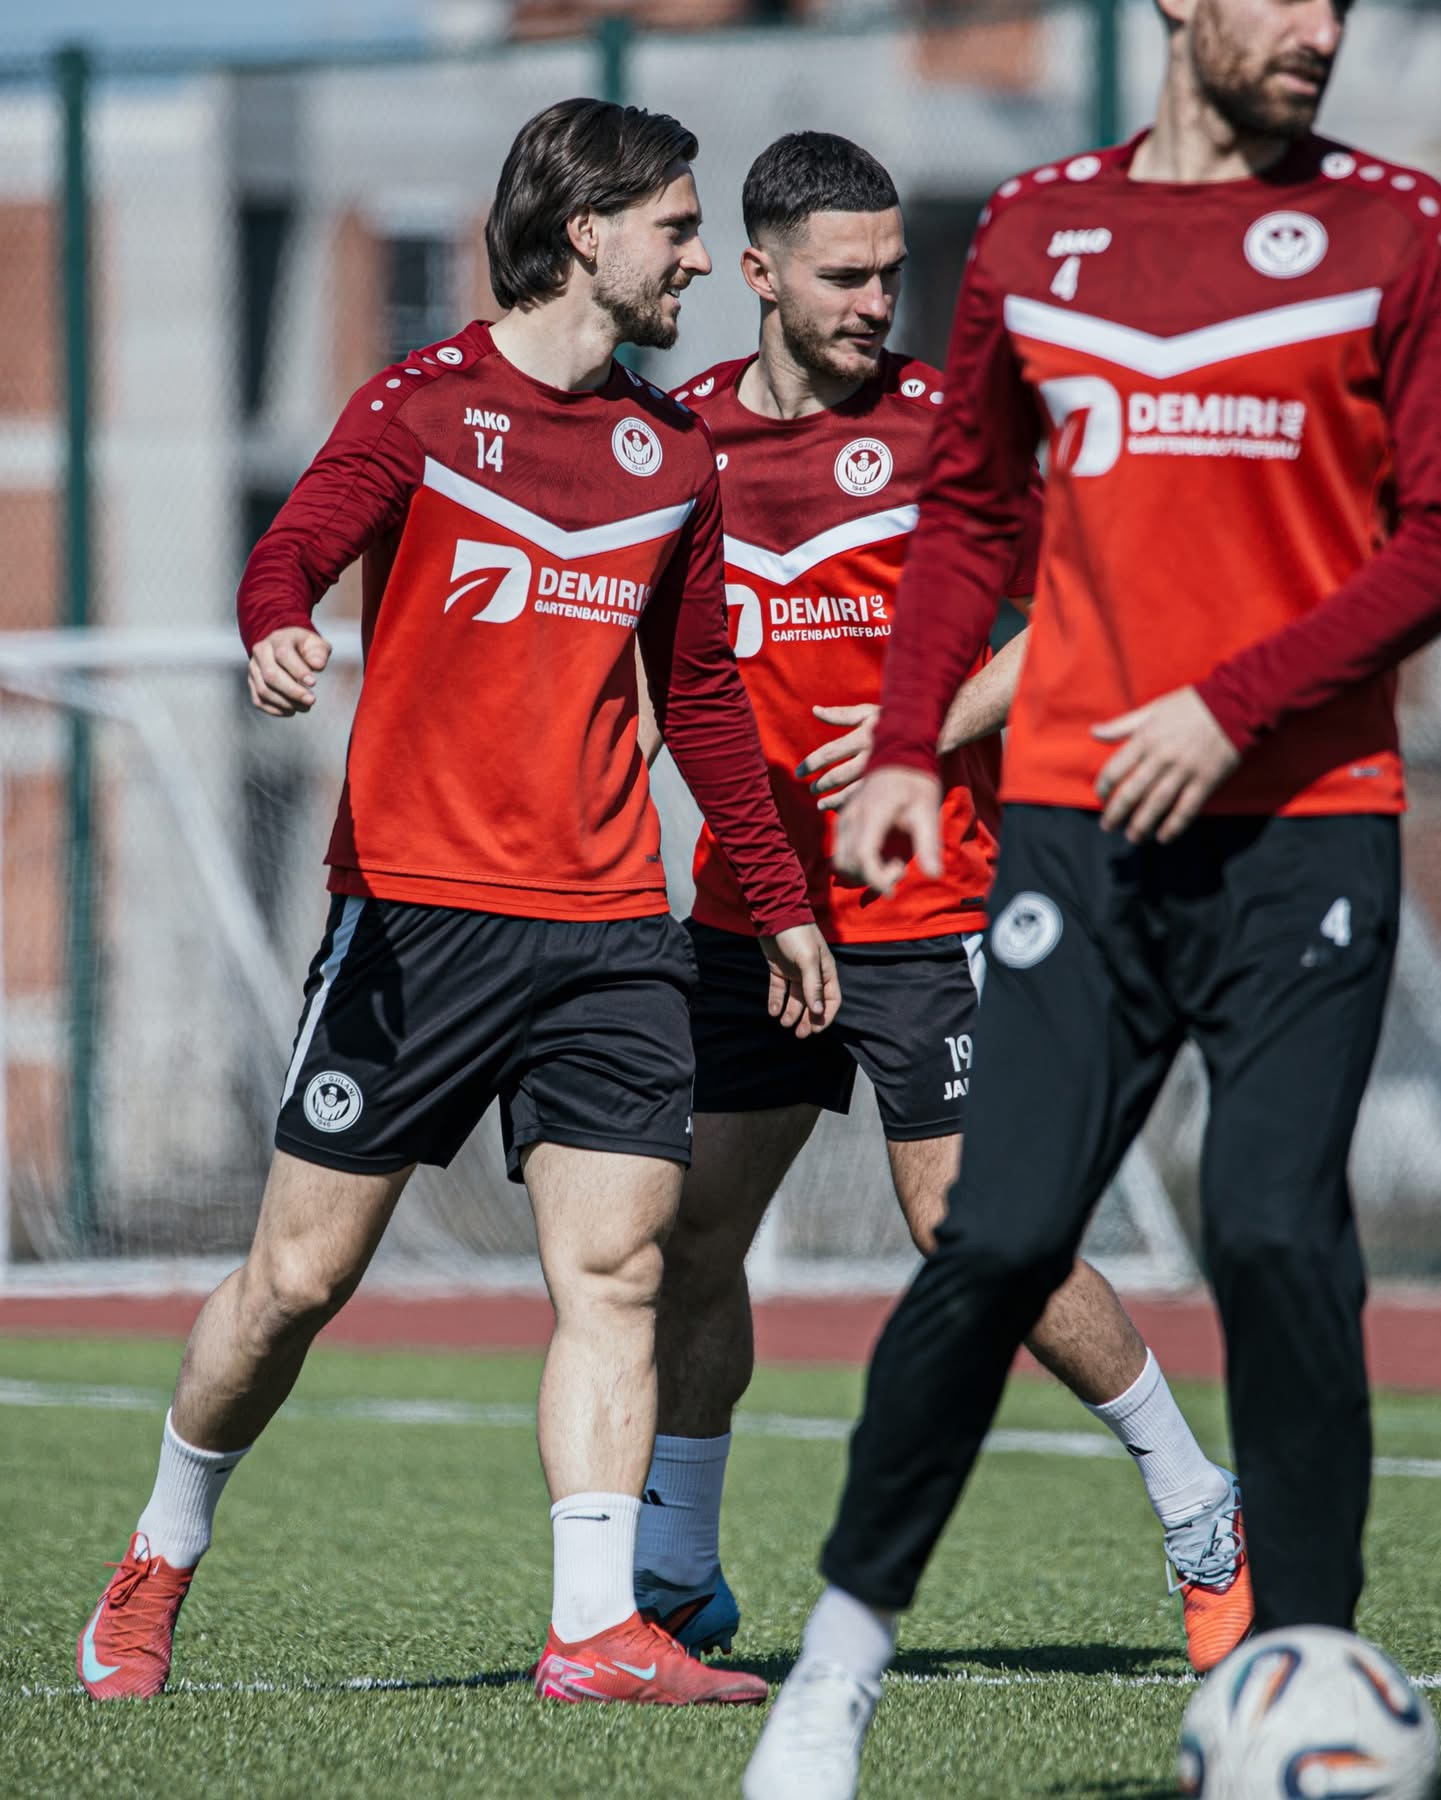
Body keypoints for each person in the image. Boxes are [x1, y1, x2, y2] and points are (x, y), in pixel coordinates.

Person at [745, 0, 1441, 1789]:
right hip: (1073, 830)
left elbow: (1436, 536)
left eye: (1339, 3)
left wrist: (1227, 706)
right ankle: (835, 1671)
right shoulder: (1039, 229)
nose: (1314, 29)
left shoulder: (1393, 229)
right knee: (991, 1237)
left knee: (1271, 1229)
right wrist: (907, 744)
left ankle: (1300, 1666)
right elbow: (971, 518)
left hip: (1305, 824)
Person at [74, 97, 840, 1712]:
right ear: (586, 230)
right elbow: (290, 551)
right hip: (415, 924)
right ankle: (158, 1554)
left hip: (611, 930)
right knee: (295, 1285)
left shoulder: (674, 453)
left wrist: (776, 900)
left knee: (617, 1272)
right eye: (678, 229)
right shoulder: (418, 406)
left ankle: (594, 1629)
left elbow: (703, 695)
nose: (702, 261)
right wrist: (277, 627)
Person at [632, 132, 1248, 1676]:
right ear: (756, 274)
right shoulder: (681, 438)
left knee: (976, 1234)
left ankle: (1201, 1511)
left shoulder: (943, 430)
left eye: (892, 272)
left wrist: (928, 727)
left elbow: (1084, 611)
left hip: (932, 908)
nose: (876, 299)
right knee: (691, 1238)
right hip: (749, 915)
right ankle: (679, 1574)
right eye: (844, 275)